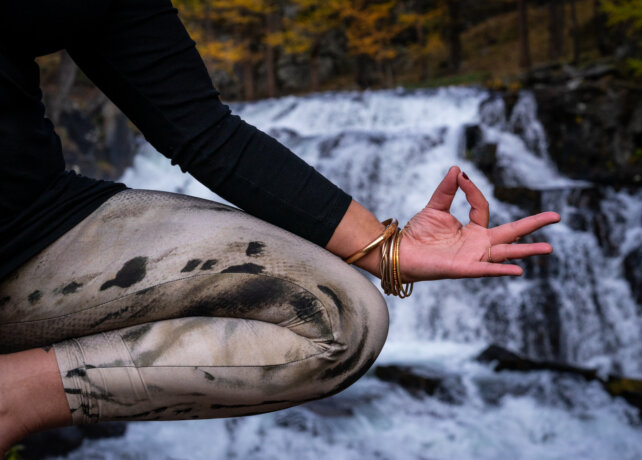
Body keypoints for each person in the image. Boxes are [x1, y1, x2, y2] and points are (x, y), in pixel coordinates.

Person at [0, 0, 560, 453]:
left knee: (342, 319)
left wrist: (389, 250)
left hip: (36, 233)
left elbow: (204, 132)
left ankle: (16, 395)